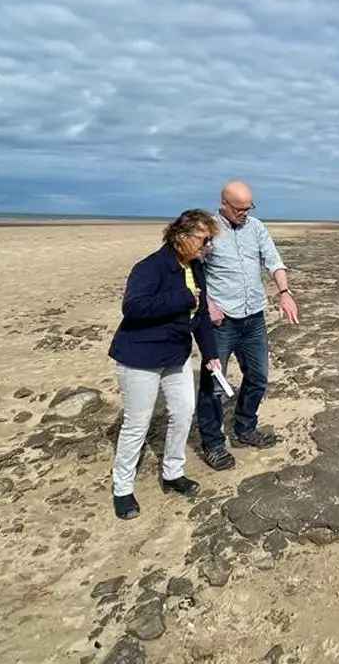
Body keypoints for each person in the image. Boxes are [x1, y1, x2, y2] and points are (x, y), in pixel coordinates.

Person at [107, 209, 221, 519]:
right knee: (137, 423)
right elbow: (133, 307)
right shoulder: (151, 267)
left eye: (210, 241)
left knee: (184, 412)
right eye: (204, 239)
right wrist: (184, 298)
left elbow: (201, 320)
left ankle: (173, 473)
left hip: (176, 354)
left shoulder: (196, 268)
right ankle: (123, 489)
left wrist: (210, 354)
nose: (207, 247)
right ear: (180, 237)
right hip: (140, 357)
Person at [195, 180, 299, 470]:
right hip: (221, 322)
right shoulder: (207, 230)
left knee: (258, 377)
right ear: (223, 204)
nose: (245, 212)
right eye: (239, 208)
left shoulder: (256, 227)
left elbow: (274, 261)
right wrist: (208, 305)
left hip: (254, 317)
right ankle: (214, 445)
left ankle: (245, 427)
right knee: (213, 387)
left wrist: (285, 293)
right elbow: (192, 270)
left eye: (248, 207)